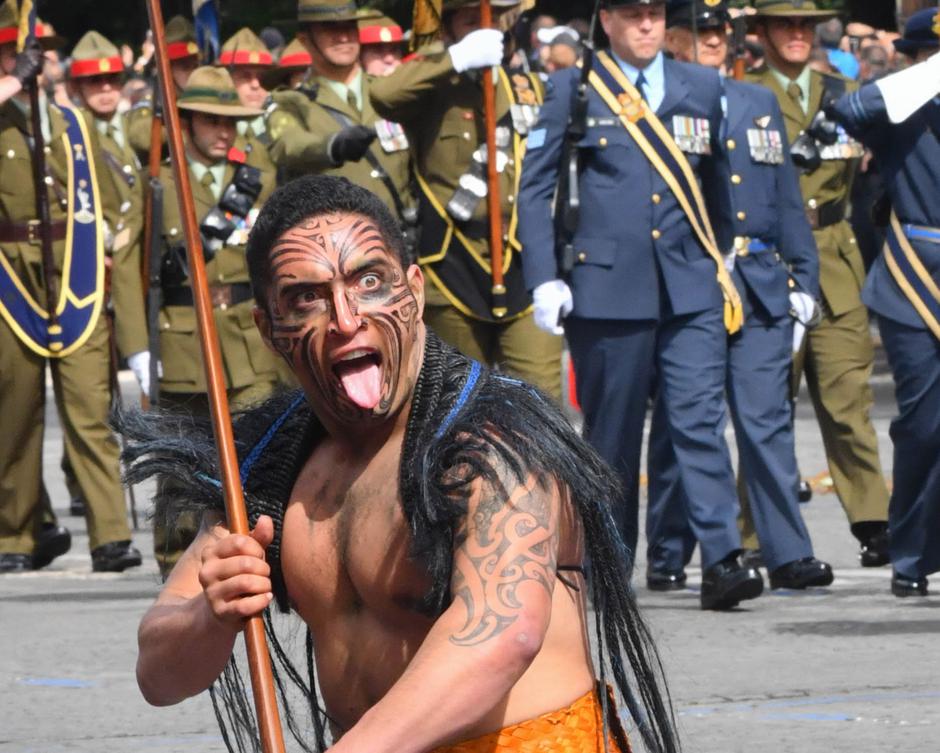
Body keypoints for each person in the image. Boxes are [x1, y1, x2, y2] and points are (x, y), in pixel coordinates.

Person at [127, 174, 678, 753]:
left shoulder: (494, 441)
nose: (345, 319)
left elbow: (501, 635)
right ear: (267, 327)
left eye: (368, 281)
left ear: (413, 291)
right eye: (307, 297)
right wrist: (209, 617)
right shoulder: (267, 467)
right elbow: (159, 676)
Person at [518, 0, 763, 610]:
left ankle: (724, 558)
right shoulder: (572, 87)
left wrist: (727, 255)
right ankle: (609, 560)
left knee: (700, 421)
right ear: (608, 21)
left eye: (655, 12)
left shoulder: (701, 84)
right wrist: (544, 276)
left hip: (689, 285)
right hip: (605, 287)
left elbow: (719, 179)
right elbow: (537, 183)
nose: (647, 25)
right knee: (614, 434)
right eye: (633, 14)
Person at [648, 0, 833, 592]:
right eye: (700, 34)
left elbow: (783, 194)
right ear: (673, 41)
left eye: (720, 33)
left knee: (766, 420)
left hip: (757, 279)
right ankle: (679, 551)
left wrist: (804, 276)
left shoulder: (756, 102)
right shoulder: (658, 103)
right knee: (691, 421)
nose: (714, 43)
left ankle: (787, 552)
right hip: (694, 275)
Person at [747, 0, 890, 567]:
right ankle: (754, 532)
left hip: (834, 258)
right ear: (762, 31)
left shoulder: (843, 94)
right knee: (765, 404)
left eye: (806, 24)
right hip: (770, 260)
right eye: (786, 24)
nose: (797, 34)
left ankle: (874, 521)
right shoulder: (743, 92)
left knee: (848, 399)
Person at [0, 7, 142, 573]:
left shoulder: (72, 123)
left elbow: (114, 201)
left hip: (74, 273)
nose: (33, 60)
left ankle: (110, 534)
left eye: (36, 52)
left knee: (89, 408)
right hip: (12, 272)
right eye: (15, 52)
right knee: (18, 410)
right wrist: (10, 85)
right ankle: (16, 533)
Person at [370, 0, 564, 401]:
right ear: (450, 28)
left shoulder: (529, 88)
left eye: (490, 18)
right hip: (452, 263)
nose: (482, 26)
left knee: (542, 404)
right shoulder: (432, 88)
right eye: (470, 19)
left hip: (523, 259)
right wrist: (455, 59)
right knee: (456, 403)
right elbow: (383, 93)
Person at [152, 66, 288, 574]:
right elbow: (135, 269)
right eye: (212, 120)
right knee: (182, 456)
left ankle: (257, 548)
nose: (224, 131)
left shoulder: (256, 178)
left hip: (245, 337)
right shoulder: (163, 182)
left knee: (257, 448)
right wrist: (136, 346)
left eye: (231, 121)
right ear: (186, 121)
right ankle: (174, 560)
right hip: (184, 332)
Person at [829, 8, 940, 597]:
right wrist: (928, 77)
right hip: (915, 275)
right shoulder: (905, 105)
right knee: (924, 423)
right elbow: (847, 111)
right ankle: (913, 553)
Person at [266, 0, 416, 237]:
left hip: (401, 239)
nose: (344, 38)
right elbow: (288, 145)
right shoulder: (291, 102)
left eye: (349, 27)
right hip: (337, 247)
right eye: (330, 29)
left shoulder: (388, 93)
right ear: (305, 39)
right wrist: (333, 146)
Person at [126, 16, 201, 160]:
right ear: (166, 71)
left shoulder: (205, 102)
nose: (193, 73)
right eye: (185, 67)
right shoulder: (148, 105)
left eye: (196, 66)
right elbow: (140, 136)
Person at [219, 27, 274, 143]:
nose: (255, 84)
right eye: (245, 76)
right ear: (226, 79)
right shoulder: (216, 136)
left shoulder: (282, 127)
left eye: (261, 77)